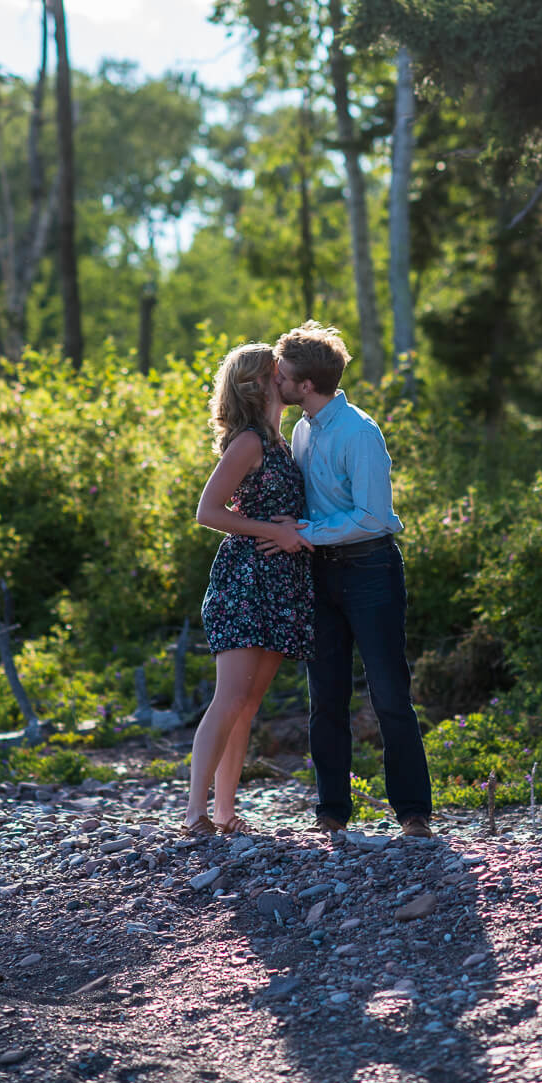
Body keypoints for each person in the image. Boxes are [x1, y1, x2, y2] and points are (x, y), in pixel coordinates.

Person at [265, 321, 433, 838]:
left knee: (388, 694)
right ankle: (331, 814)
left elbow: (374, 516)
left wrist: (305, 532)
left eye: (283, 375)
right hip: (321, 573)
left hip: (370, 569)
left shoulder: (360, 432)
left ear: (306, 385)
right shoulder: (301, 429)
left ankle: (413, 816)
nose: (276, 381)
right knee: (326, 699)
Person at [184, 342, 315, 836]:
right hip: (245, 580)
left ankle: (224, 813)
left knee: (249, 704)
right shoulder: (249, 443)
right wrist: (274, 532)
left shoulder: (282, 442)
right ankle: (196, 812)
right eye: (275, 370)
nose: (284, 375)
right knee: (229, 698)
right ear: (257, 383)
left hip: (281, 585)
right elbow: (208, 512)